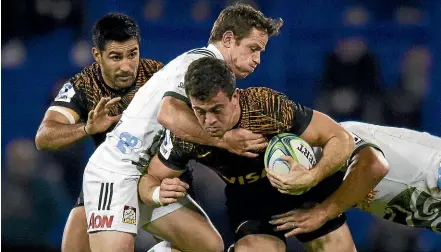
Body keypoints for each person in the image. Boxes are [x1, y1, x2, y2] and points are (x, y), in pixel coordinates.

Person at [82, 4, 284, 252]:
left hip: (150, 176)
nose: (257, 59)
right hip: (117, 170)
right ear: (229, 39)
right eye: (253, 48)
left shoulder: (210, 74)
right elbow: (168, 113)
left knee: (207, 245)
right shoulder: (197, 63)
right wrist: (226, 139)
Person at [139, 57, 356, 252]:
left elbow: (340, 138)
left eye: (216, 109)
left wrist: (312, 177)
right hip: (253, 201)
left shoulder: (264, 108)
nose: (209, 121)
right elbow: (151, 179)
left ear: (235, 97)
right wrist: (157, 193)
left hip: (307, 192)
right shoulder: (186, 136)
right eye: (200, 111)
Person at [35, 13, 164, 252]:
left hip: (156, 175)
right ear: (98, 55)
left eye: (132, 54)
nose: (126, 66)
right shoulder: (83, 85)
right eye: (116, 57)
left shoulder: (157, 76)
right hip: (108, 178)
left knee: (204, 243)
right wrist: (87, 128)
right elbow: (43, 137)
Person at [268, 121, 441, 236]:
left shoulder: (339, 141)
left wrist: (322, 214)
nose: (288, 183)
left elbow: (375, 167)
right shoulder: (323, 189)